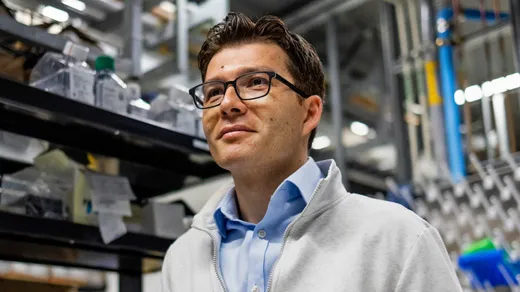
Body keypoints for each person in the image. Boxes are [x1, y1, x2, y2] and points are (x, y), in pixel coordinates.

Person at [161, 12, 462, 292]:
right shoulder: (183, 257)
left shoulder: (396, 239)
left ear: (309, 113)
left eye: (255, 83)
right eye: (214, 91)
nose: (227, 104)